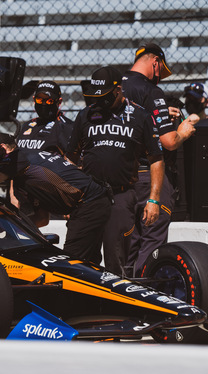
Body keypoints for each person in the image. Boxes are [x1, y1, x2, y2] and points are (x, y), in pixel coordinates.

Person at [0, 133, 112, 260]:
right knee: (88, 262)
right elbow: (41, 219)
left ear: (2, 149)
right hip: (89, 206)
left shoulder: (19, 157)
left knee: (73, 263)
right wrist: (10, 230)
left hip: (90, 202)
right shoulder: (21, 180)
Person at [66, 66, 164, 276]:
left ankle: (117, 305)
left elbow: (156, 158)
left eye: (104, 96)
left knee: (116, 260)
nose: (99, 101)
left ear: (118, 90)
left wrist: (154, 199)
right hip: (87, 196)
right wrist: (68, 193)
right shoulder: (85, 115)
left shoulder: (140, 116)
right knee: (77, 259)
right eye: (95, 97)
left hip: (120, 195)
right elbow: (70, 158)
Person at [121, 43, 200, 277]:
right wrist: (183, 131)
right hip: (148, 176)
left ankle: (120, 291)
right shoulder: (151, 91)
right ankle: (143, 294)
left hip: (118, 177)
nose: (160, 78)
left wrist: (161, 112)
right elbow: (168, 142)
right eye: (161, 72)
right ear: (155, 61)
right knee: (152, 239)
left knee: (128, 241)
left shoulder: (114, 86)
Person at [16, 80, 74, 155]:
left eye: (49, 101)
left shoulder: (66, 127)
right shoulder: (27, 125)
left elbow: (73, 160)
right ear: (34, 100)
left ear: (59, 102)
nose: (44, 104)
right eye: (39, 100)